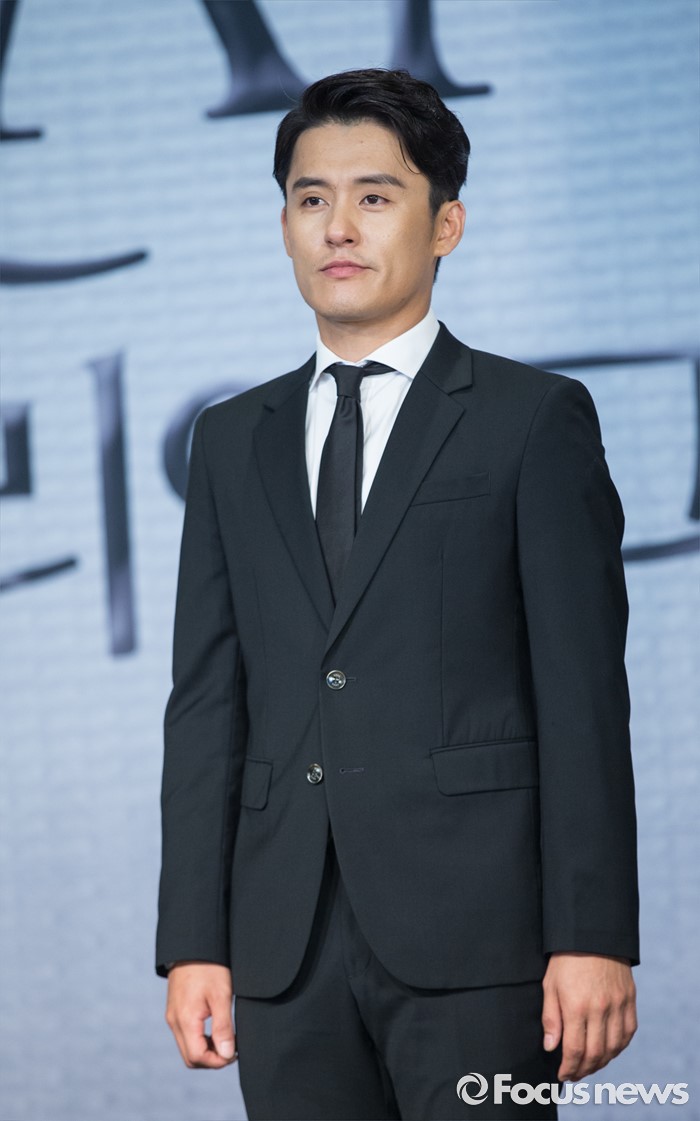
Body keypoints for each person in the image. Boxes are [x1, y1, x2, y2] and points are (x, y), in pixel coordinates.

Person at [156, 68, 639, 1121]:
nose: (338, 226)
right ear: (284, 224)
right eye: (311, 197)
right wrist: (194, 939)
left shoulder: (530, 417)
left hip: (480, 938)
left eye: (375, 196)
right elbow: (206, 704)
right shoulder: (230, 439)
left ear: (445, 224)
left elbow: (582, 694)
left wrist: (592, 932)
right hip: (282, 946)